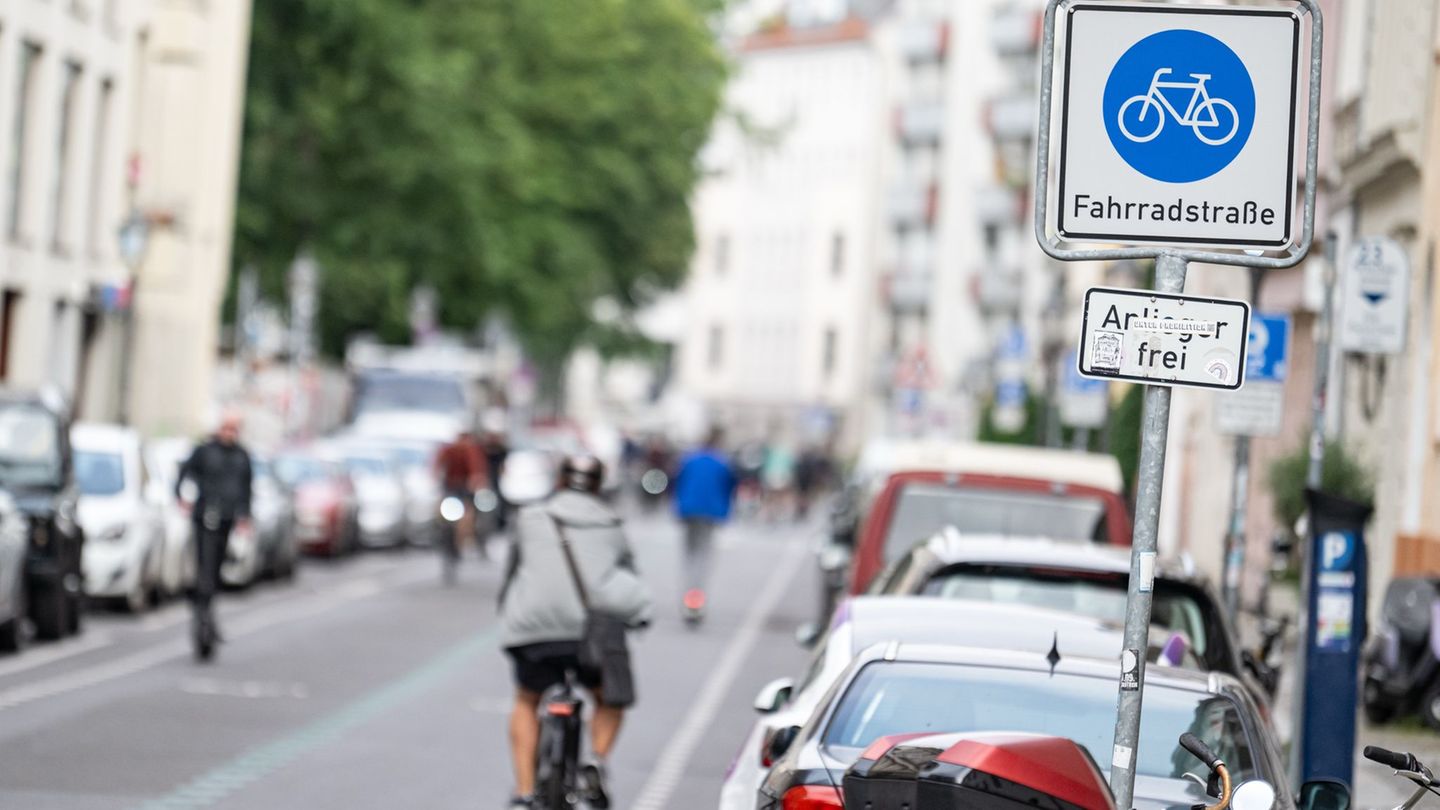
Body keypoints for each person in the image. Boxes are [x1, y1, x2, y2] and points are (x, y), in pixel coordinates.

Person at [499, 455, 651, 809]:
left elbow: (512, 573)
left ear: (560, 480)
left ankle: (524, 794)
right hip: (593, 636)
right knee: (610, 696)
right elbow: (630, 579)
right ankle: (594, 761)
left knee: (526, 699)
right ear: (600, 484)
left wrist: (510, 615)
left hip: (534, 632)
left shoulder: (530, 518)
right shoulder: (612, 525)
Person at [175, 411, 253, 660]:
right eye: (226, 428)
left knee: (216, 571)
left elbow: (247, 489)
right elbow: (183, 475)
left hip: (227, 521)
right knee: (205, 571)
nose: (229, 434)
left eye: (234, 429)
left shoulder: (242, 456)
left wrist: (244, 517)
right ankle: (204, 622)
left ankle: (206, 610)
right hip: (205, 519)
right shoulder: (205, 451)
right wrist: (181, 498)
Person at [671, 427, 736, 623]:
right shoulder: (723, 463)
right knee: (703, 558)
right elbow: (729, 488)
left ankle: (688, 597)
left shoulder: (689, 459)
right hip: (711, 513)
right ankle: (696, 599)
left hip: (689, 510)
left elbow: (677, 482)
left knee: (690, 556)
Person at [434, 428, 489, 567]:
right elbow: (436, 465)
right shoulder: (449, 450)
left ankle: (466, 539)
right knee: (441, 513)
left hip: (465, 490)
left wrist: (476, 481)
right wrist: (435, 477)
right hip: (450, 488)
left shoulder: (472, 451)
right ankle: (442, 536)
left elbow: (478, 469)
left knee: (468, 516)